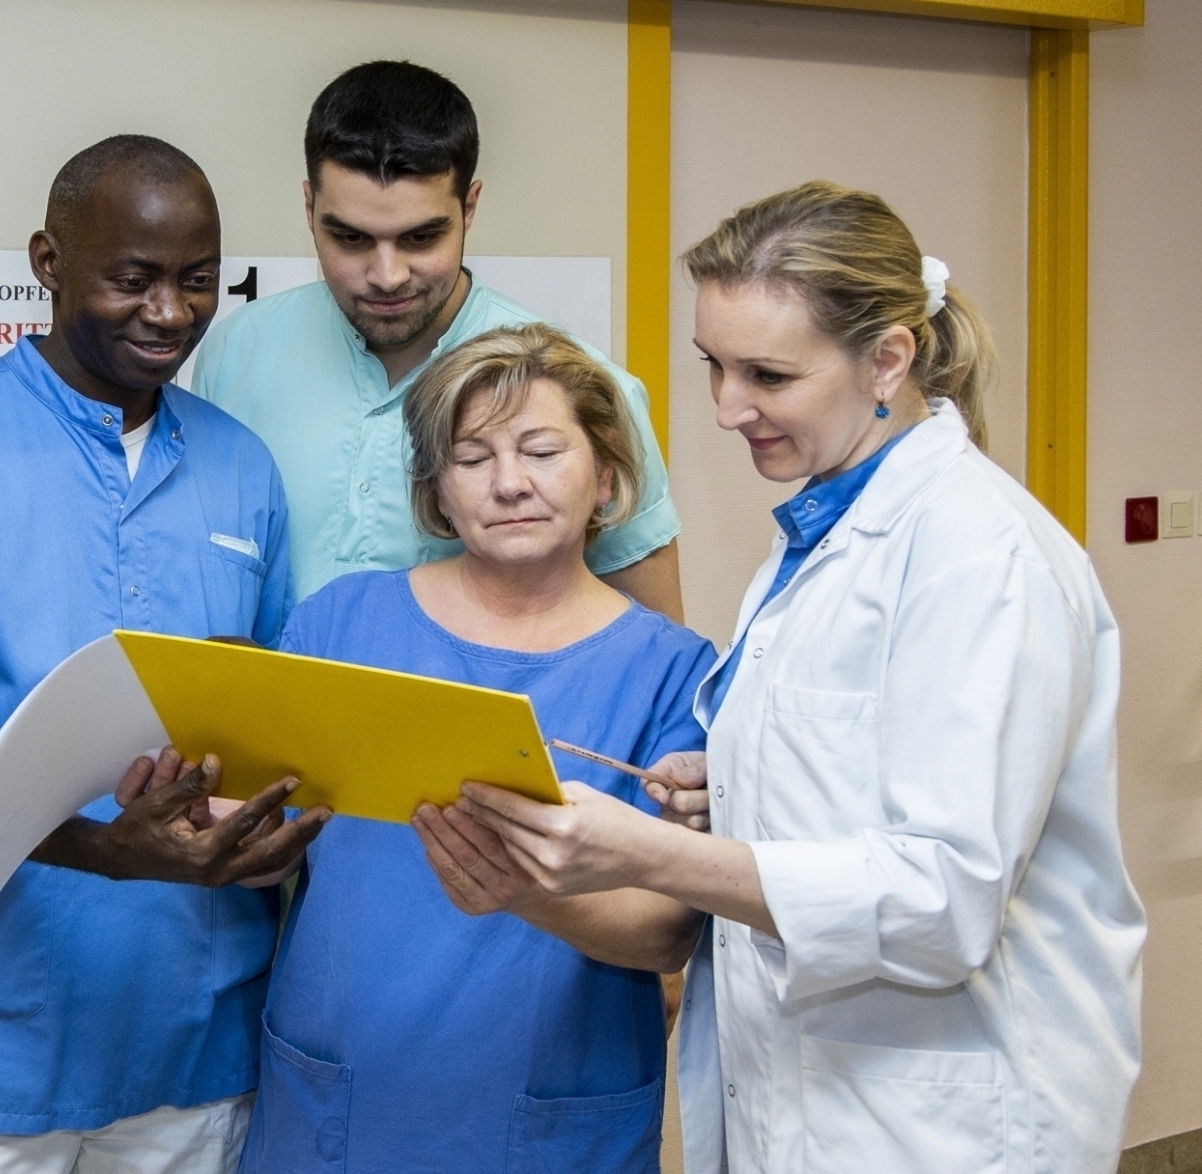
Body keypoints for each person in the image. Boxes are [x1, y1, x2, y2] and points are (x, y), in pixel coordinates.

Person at [427, 181, 1146, 1174]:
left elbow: (941, 896)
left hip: (942, 1119)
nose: (726, 409)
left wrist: (641, 852)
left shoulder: (979, 556)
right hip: (813, 1096)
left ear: (885, 359)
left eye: (765, 374)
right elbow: (877, 764)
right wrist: (739, 784)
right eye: (712, 367)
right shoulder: (820, 533)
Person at [0, 135, 330, 1174]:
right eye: (130, 278)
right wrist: (105, 851)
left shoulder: (239, 467)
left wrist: (277, 827)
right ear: (48, 263)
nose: (169, 312)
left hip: (191, 1041)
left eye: (196, 282)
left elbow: (261, 726)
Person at [231, 322, 711, 1174]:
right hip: (343, 1099)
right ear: (437, 493)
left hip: (552, 1117)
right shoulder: (342, 623)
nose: (510, 484)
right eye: (473, 457)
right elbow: (266, 845)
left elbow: (667, 932)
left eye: (541, 450)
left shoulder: (673, 672)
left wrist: (524, 893)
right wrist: (208, 821)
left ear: (606, 476)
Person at [190, 60, 684, 618]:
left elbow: (653, 647)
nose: (387, 274)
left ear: (468, 207)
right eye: (350, 238)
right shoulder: (236, 352)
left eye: (421, 238)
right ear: (309, 208)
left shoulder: (585, 388)